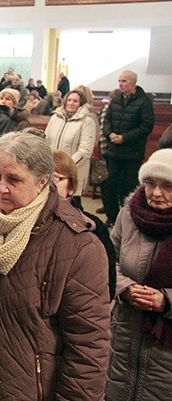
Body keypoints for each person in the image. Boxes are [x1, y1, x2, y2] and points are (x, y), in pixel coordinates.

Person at [0, 131, 111, 400]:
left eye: (14, 179)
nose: (0, 188)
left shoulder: (77, 246)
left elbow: (88, 347)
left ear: (42, 181)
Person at [105, 149, 172, 400]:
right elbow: (108, 259)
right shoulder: (128, 216)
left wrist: (166, 301)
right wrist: (125, 288)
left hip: (165, 351)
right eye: (150, 184)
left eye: (167, 186)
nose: (156, 193)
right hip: (125, 331)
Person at [52, 150, 116, 299]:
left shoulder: (93, 227)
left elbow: (107, 286)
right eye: (42, 179)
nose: (47, 186)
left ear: (71, 187)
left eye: (55, 179)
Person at [102, 70, 155, 225]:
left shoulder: (144, 101)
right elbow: (107, 119)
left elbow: (146, 126)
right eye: (119, 81)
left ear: (133, 83)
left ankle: (127, 219)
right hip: (114, 152)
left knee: (128, 188)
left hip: (132, 154)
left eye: (124, 81)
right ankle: (112, 217)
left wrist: (125, 138)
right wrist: (109, 133)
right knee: (109, 185)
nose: (120, 84)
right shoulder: (117, 98)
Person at [44, 89, 96, 207]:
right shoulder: (55, 118)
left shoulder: (87, 122)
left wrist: (66, 168)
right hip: (52, 169)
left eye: (75, 101)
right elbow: (45, 141)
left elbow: (85, 151)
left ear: (81, 104)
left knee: (72, 205)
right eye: (69, 100)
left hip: (72, 171)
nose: (71, 103)